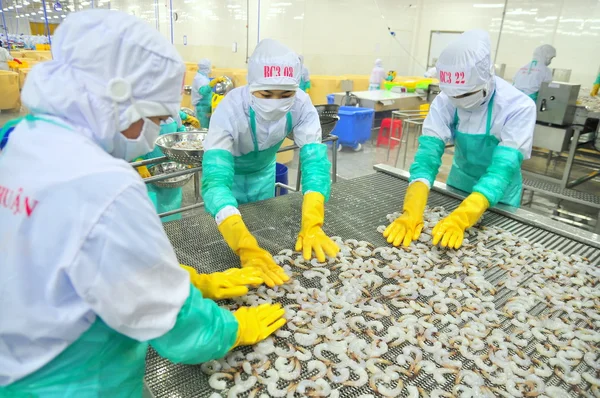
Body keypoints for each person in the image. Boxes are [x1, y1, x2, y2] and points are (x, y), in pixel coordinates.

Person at [0, 10, 286, 396]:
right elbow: (172, 326)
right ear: (119, 99)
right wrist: (231, 328)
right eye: (153, 117)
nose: (151, 135)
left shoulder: (15, 137)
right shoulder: (104, 186)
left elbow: (61, 256)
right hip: (72, 380)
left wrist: (191, 280)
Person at [202, 38, 339, 288]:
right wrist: (244, 246)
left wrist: (313, 221)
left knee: (261, 225)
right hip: (228, 180)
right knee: (228, 241)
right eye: (266, 94)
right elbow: (215, 183)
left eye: (285, 94)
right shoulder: (230, 109)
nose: (276, 102)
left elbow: (315, 165)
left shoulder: (301, 105)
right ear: (252, 85)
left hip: (264, 174)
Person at [383, 30, 536, 250]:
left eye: (467, 95)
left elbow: (503, 168)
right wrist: (412, 209)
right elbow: (427, 156)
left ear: (487, 78)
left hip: (500, 195)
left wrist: (462, 218)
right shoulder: (445, 100)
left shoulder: (517, 106)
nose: (460, 102)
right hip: (459, 184)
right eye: (455, 96)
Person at [192, 58, 213, 128]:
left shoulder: (203, 77)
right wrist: (212, 84)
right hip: (201, 109)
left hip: (205, 107)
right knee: (202, 130)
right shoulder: (199, 78)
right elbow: (203, 91)